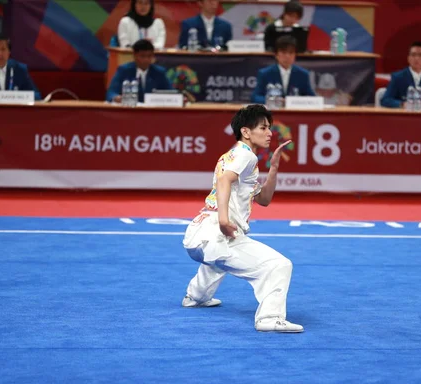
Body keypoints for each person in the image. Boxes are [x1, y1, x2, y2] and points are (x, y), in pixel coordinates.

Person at [182, 104, 303, 333]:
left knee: (221, 260)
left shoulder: (233, 155)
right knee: (279, 265)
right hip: (215, 233)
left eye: (270, 128)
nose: (270, 133)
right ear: (246, 132)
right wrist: (224, 220)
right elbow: (224, 181)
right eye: (264, 128)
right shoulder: (246, 156)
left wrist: (274, 168)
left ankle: (195, 296)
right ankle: (269, 318)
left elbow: (264, 199)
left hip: (197, 237)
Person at [251, 35, 315, 104]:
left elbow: (312, 98)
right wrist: (274, 101)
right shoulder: (265, 73)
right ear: (276, 55)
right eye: (283, 53)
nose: (287, 56)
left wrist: (295, 101)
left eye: (291, 53)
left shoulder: (303, 74)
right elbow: (255, 97)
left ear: (295, 55)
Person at [106, 39, 173, 103]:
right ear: (134, 55)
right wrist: (116, 98)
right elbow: (111, 92)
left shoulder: (159, 72)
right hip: (130, 111)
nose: (146, 59)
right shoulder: (124, 70)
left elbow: (171, 93)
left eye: (149, 56)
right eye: (142, 56)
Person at [380, 41, 421, 108]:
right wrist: (402, 104)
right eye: (413, 55)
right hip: (404, 116)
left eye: (420, 55)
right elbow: (385, 100)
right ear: (408, 58)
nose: (416, 58)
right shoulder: (397, 77)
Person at [0, 34, 41, 100]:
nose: (0, 53)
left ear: (9, 52)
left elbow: (37, 96)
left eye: (3, 49)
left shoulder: (19, 69)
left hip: (14, 109)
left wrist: (18, 97)